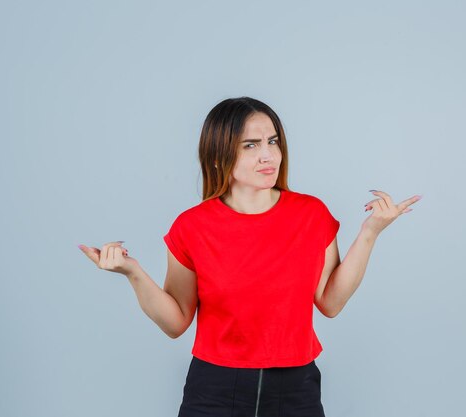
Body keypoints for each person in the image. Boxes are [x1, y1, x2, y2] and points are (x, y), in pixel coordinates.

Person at [78, 97, 422, 416]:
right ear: (218, 154)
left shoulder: (311, 215)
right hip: (214, 390)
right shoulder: (191, 227)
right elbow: (176, 322)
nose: (268, 155)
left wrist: (370, 233)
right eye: (251, 145)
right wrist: (132, 271)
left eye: (273, 142)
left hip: (295, 390)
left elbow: (330, 302)